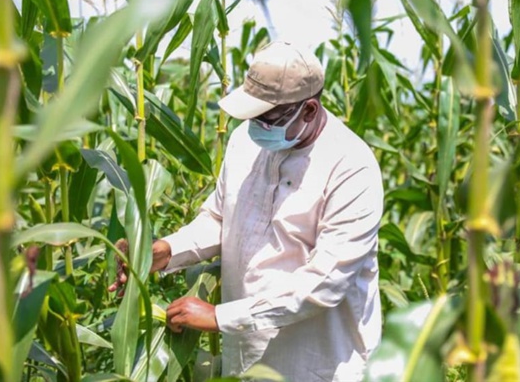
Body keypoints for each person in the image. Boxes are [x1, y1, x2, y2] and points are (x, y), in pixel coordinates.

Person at [110, 41, 384, 381]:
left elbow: (324, 283)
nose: (256, 125)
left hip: (319, 364)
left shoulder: (350, 166)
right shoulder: (245, 142)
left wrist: (220, 317)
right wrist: (167, 251)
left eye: (266, 117)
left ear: (310, 110)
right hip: (247, 355)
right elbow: (221, 217)